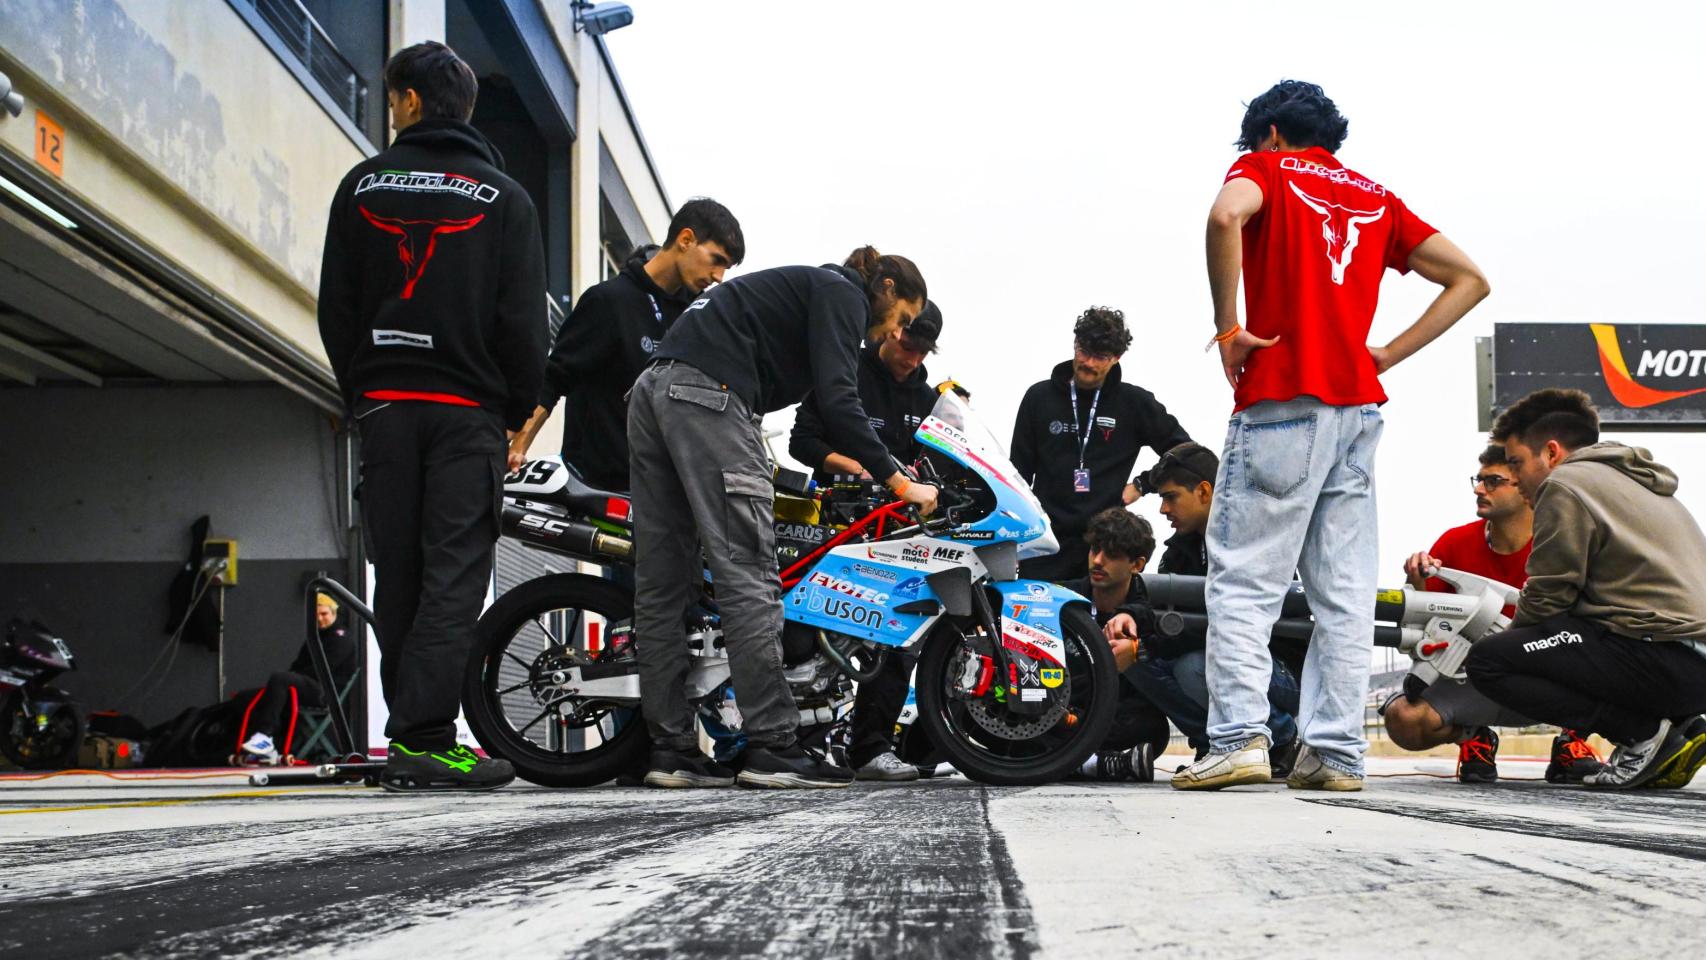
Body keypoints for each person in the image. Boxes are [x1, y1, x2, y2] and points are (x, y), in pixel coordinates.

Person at [1175, 80, 1490, 792]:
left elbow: (1226, 217)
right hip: (1358, 411)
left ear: (1274, 134)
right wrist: (1386, 353)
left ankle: (1235, 738)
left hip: (1282, 401)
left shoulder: (1266, 168)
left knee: (1245, 583)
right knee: (1342, 596)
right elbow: (1469, 278)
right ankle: (1336, 753)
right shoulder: (1375, 196)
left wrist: (1229, 328)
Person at [317, 41, 544, 792]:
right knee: (453, 576)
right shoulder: (505, 197)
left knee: (401, 574)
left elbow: (337, 308)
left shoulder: (361, 186)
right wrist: (513, 410)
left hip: (386, 405)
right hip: (466, 412)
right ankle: (424, 737)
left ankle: (415, 734)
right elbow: (521, 324)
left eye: (392, 100)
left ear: (410, 101)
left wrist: (364, 393)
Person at [629, 246, 939, 789]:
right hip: (708, 396)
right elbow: (841, 404)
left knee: (663, 583)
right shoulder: (843, 292)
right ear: (885, 288)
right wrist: (899, 481)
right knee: (749, 573)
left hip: (652, 391)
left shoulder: (807, 290)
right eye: (904, 318)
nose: (897, 332)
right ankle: (772, 746)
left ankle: (671, 750)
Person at [1466, 389, 1706, 789]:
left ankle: (1641, 735)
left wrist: (1515, 644)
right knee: (1570, 634)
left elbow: (1547, 595)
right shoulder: (1637, 481)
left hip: (1667, 657)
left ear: (1552, 452)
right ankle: (1682, 727)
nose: (1517, 478)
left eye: (1515, 463)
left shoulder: (1565, 485)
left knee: (1490, 661)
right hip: (1685, 658)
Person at [789, 301, 944, 782]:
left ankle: (871, 748)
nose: (913, 359)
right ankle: (803, 746)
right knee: (813, 629)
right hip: (838, 520)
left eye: (923, 352)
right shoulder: (845, 370)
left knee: (901, 633)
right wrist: (855, 466)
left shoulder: (929, 398)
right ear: (890, 331)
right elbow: (801, 441)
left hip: (901, 530)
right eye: (907, 346)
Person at [1385, 445, 1603, 784]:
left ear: (1527, 487)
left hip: (1551, 682)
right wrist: (1418, 582)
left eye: (1493, 481)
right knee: (1403, 718)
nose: (1478, 488)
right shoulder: (1454, 543)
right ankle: (1472, 737)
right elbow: (1425, 631)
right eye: (1479, 479)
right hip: (1475, 681)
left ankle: (1571, 740)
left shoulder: (1568, 544)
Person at [508, 198, 746, 491]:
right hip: (593, 485)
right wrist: (519, 444)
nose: (719, 277)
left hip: (659, 491)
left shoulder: (697, 319)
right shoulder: (608, 301)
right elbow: (554, 378)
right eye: (717, 260)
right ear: (686, 239)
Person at [1108, 445, 1303, 776]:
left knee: (1193, 665)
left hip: (1277, 668)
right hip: (1217, 656)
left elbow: (1230, 624)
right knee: (1132, 660)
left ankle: (1282, 738)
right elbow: (1154, 608)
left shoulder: (1253, 540)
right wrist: (1129, 619)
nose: (1163, 509)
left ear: (1203, 491)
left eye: (1170, 497)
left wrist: (1146, 646)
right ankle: (1213, 744)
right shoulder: (1179, 551)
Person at [1011, 307, 1190, 581]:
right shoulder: (1039, 397)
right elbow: (1018, 473)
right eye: (1084, 351)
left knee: (1099, 623)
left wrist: (1143, 484)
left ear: (1117, 358)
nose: (1090, 363)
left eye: (1102, 357)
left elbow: (1185, 452)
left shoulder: (1134, 403)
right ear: (1075, 344)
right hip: (1044, 543)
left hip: (1104, 547)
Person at [1057, 509, 1172, 781]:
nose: (1097, 561)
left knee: (1152, 728)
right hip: (1057, 713)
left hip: (1114, 718)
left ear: (1137, 564)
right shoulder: (1062, 598)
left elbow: (1171, 643)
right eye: (1095, 550)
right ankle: (1098, 764)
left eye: (1111, 555)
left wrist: (1136, 650)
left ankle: (1078, 762)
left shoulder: (1150, 611)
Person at [235, 594, 360, 765]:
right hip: (308, 685)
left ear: (334, 614)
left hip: (325, 693)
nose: (320, 619)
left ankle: (265, 735)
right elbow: (297, 665)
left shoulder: (341, 638)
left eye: (324, 614)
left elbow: (322, 671)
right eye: (316, 616)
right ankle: (253, 745)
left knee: (280, 678)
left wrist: (295, 677)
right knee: (247, 696)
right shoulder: (313, 637)